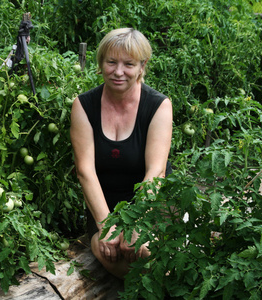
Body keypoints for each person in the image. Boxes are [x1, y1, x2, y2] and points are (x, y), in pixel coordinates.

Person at [70, 28, 173, 279]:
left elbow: (156, 171)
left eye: (128, 64)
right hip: (105, 208)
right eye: (111, 62)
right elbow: (85, 171)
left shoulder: (158, 105)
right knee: (107, 251)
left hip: (151, 206)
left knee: (145, 249)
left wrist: (137, 223)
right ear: (101, 62)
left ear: (142, 66)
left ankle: (165, 282)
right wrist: (106, 226)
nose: (118, 72)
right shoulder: (83, 106)